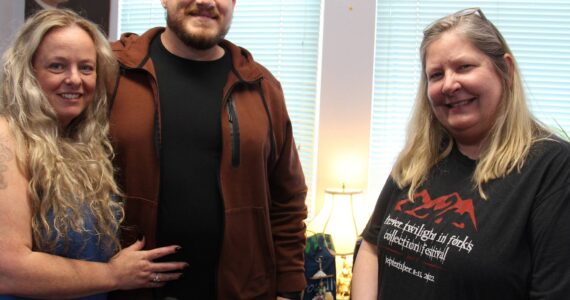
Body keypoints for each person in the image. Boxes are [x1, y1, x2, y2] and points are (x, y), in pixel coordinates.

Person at [352, 7, 570, 300]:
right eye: (436, 74)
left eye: (464, 67)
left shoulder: (553, 167)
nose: (449, 84)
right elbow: (371, 245)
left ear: (505, 69)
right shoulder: (420, 157)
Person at [108, 0, 308, 299]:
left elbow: (287, 200)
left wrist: (289, 290)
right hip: (129, 292)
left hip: (241, 291)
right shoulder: (113, 71)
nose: (205, 1)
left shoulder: (261, 88)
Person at [0, 9, 187, 299]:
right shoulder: (7, 136)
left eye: (86, 68)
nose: (74, 79)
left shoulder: (82, 142)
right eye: (57, 66)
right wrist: (114, 275)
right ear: (29, 71)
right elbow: (8, 270)